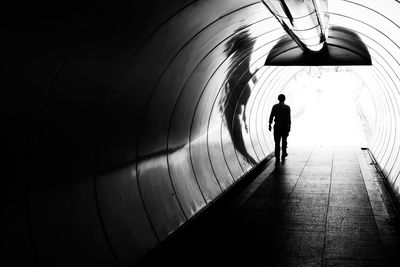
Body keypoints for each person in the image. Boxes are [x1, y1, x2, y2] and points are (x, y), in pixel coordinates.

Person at [269, 94, 291, 161]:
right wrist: (289, 128)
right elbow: (288, 119)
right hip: (284, 126)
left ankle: (277, 155)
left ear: (278, 99)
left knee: (277, 141)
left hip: (277, 125)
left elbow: (271, 116)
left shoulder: (275, 107)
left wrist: (269, 124)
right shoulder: (287, 107)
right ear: (284, 99)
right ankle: (284, 153)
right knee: (284, 140)